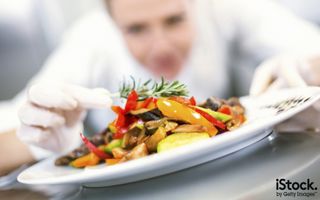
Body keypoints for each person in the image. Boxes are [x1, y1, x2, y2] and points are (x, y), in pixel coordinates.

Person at [1, 0, 320, 176]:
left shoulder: (224, 8)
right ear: (113, 23)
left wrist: (306, 68)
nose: (161, 46)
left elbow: (309, 46)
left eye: (173, 20)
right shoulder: (90, 40)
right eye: (137, 29)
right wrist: (40, 140)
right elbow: (12, 123)